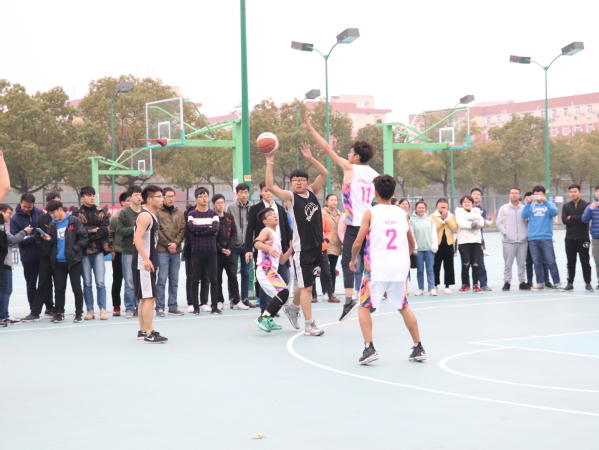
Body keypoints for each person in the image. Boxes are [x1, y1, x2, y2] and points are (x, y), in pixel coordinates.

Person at [304, 116, 378, 322]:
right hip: (371, 224)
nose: (348, 154)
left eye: (351, 152)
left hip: (355, 225)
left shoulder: (350, 168)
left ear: (357, 157)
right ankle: (369, 298)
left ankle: (348, 301)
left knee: (348, 263)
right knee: (368, 263)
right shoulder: (375, 174)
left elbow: (327, 149)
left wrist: (311, 128)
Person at [349, 175, 425, 365]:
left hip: (377, 268)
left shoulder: (370, 213)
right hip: (399, 268)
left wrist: (353, 259)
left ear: (375, 193)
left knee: (364, 306)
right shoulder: (402, 214)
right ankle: (418, 347)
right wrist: (402, 258)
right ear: (394, 193)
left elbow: (357, 242)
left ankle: (369, 348)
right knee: (403, 306)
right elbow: (411, 244)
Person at [265, 143, 328, 336]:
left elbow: (324, 173)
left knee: (304, 283)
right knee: (307, 287)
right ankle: (310, 325)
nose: (298, 182)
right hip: (302, 249)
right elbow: (270, 186)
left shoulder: (312, 192)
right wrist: (269, 162)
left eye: (302, 180)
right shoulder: (290, 198)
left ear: (307, 182)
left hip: (316, 246)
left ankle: (292, 308)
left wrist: (310, 157)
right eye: (295, 180)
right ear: (291, 184)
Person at [22, 201, 88, 323]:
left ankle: (79, 313)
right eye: (50, 213)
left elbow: (83, 237)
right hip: (58, 261)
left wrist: (74, 250)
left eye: (53, 212)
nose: (52, 215)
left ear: (60, 209)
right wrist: (49, 239)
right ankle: (59, 313)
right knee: (59, 288)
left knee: (76, 288)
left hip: (73, 260)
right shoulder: (53, 224)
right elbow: (53, 240)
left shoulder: (73, 220)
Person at [245, 181, 292, 312]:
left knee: (285, 279)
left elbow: (287, 229)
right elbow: (250, 231)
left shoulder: (280, 208)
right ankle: (265, 309)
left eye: (270, 190)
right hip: (265, 254)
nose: (268, 193)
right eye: (265, 190)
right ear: (261, 192)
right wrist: (249, 249)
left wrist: (291, 246)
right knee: (267, 282)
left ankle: (272, 308)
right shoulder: (256, 210)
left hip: (279, 248)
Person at [133, 185, 168, 343]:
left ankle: (142, 330)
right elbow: (137, 238)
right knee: (149, 297)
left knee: (144, 298)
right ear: (149, 199)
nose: (162, 199)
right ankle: (149, 333)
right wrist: (146, 259)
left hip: (147, 262)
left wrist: (153, 260)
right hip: (143, 263)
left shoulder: (151, 216)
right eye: (159, 196)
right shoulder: (145, 216)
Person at [10, 193, 54, 315]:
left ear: (33, 205)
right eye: (24, 206)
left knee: (47, 282)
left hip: (43, 255)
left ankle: (50, 307)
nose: (26, 209)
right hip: (28, 257)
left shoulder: (40, 213)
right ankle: (34, 309)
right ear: (20, 203)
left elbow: (48, 230)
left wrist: (35, 237)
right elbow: (17, 239)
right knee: (31, 285)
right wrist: (35, 237)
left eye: (29, 207)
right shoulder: (15, 219)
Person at [252, 207, 293, 332]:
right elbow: (256, 243)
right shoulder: (266, 231)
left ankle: (269, 319)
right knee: (283, 293)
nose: (275, 215)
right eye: (270, 214)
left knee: (284, 294)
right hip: (265, 269)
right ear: (264, 221)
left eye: (275, 213)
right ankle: (263, 318)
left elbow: (281, 260)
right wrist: (269, 248)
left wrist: (291, 249)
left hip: (272, 270)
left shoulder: (276, 236)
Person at [521, 185, 563, 291]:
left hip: (546, 237)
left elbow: (555, 213)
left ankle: (557, 283)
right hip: (532, 238)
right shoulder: (531, 205)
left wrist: (546, 202)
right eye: (535, 195)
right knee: (537, 262)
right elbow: (524, 215)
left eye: (540, 195)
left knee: (551, 261)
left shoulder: (549, 205)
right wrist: (528, 202)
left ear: (544, 194)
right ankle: (540, 283)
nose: (537, 197)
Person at [77, 186, 110, 320]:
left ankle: (103, 309)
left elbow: (105, 231)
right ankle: (90, 311)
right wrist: (95, 230)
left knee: (100, 282)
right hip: (84, 252)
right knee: (87, 283)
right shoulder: (77, 213)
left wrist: (88, 232)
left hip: (99, 251)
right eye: (88, 195)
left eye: (93, 195)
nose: (92, 198)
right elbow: (79, 231)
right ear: (82, 198)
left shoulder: (102, 211)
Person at [187, 187, 220, 315]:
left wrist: (199, 229)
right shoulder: (191, 214)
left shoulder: (214, 214)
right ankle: (196, 307)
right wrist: (208, 227)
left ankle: (214, 306)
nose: (203, 198)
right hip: (197, 251)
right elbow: (191, 227)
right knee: (195, 279)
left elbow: (215, 228)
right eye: (200, 196)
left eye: (205, 196)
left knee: (214, 279)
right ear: (196, 199)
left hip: (211, 250)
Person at [155, 187, 186, 316]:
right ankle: (159, 307)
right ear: (163, 198)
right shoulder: (157, 212)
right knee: (161, 280)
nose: (171, 198)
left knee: (174, 281)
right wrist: (168, 244)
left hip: (176, 251)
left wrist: (176, 243)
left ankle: (173, 307)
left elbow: (183, 229)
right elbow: (157, 230)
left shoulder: (179, 213)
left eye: (173, 196)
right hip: (162, 251)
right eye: (168, 196)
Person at [0, 204, 32, 325]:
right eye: (8, 213)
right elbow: (13, 239)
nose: (10, 216)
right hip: (4, 263)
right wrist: (24, 232)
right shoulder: (1, 228)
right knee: (5, 289)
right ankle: (3, 316)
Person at [212, 194, 245, 310]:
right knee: (217, 278)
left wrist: (230, 248)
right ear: (213, 205)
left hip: (229, 253)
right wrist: (221, 249)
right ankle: (219, 301)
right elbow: (212, 236)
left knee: (233, 277)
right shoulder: (212, 218)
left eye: (222, 202)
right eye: (218, 203)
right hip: (217, 253)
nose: (220, 205)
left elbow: (234, 233)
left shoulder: (229, 217)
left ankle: (236, 301)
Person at [226, 183, 255, 308]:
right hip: (234, 245)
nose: (244, 195)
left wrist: (252, 243)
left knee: (246, 273)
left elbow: (254, 226)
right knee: (232, 273)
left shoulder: (253, 208)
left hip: (247, 246)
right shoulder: (230, 207)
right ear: (237, 193)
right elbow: (227, 225)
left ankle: (245, 298)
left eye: (246, 192)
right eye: (241, 192)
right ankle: (233, 298)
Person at [496, 187, 530, 291]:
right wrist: (505, 233)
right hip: (508, 241)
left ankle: (522, 282)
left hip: (522, 241)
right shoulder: (504, 208)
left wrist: (526, 234)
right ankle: (507, 282)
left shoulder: (524, 208)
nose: (514, 195)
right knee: (508, 264)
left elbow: (529, 222)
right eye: (512, 193)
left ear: (520, 195)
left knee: (522, 264)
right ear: (509, 195)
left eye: (516, 193)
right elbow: (499, 223)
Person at [117, 185, 143, 318]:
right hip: (128, 251)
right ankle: (129, 308)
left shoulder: (145, 212)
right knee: (129, 282)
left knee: (141, 281)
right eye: (135, 195)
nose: (139, 197)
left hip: (143, 252)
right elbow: (119, 230)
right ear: (130, 197)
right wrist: (135, 229)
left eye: (140, 195)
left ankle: (140, 307)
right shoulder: (124, 213)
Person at [561, 183, 593, 292]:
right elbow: (564, 220)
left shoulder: (586, 205)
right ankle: (570, 283)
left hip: (583, 238)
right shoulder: (566, 206)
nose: (573, 194)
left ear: (580, 193)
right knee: (570, 262)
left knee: (585, 261)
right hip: (569, 238)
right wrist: (579, 218)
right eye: (571, 192)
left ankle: (588, 283)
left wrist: (572, 217)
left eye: (575, 191)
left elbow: (586, 219)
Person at [455, 195, 484, 293]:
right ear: (462, 204)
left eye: (469, 202)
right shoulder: (458, 212)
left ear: (472, 203)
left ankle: (475, 285)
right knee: (465, 264)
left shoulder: (477, 211)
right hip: (464, 241)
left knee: (475, 264)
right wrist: (474, 224)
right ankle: (464, 285)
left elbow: (481, 222)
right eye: (465, 202)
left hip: (476, 241)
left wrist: (471, 221)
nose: (467, 203)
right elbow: (461, 223)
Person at [409, 200, 438, 296]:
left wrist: (434, 247)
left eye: (423, 208)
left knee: (430, 270)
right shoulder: (412, 220)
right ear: (415, 208)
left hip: (429, 250)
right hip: (418, 251)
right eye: (419, 208)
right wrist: (414, 248)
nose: (421, 209)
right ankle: (420, 288)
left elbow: (434, 234)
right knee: (420, 270)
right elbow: (412, 235)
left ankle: (432, 288)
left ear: (425, 209)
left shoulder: (430, 220)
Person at [108, 192, 130, 316]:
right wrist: (112, 251)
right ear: (122, 203)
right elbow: (110, 235)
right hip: (119, 252)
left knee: (131, 281)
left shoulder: (136, 216)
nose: (130, 203)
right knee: (117, 280)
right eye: (128, 200)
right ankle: (116, 306)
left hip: (131, 252)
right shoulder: (115, 217)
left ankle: (131, 305)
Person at [522, 191, 549, 288]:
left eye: (531, 198)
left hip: (536, 237)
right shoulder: (524, 210)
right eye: (527, 199)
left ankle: (546, 281)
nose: (529, 201)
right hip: (526, 239)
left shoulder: (537, 209)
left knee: (543, 261)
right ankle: (529, 282)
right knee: (529, 261)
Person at [431, 198, 457, 295]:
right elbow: (433, 228)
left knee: (449, 266)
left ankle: (447, 286)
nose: (443, 204)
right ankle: (435, 285)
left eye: (445, 203)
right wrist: (441, 219)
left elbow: (454, 227)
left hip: (448, 244)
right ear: (437, 205)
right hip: (436, 245)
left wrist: (447, 218)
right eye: (441, 203)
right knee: (436, 266)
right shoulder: (433, 216)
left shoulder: (451, 216)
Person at [311, 214, 337, 302]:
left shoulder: (323, 219)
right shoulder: (307, 219)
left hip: (322, 249)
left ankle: (331, 295)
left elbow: (328, 231)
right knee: (312, 273)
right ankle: (314, 295)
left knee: (327, 272)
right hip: (311, 250)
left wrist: (326, 240)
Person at [470, 188, 491, 291]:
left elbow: (480, 223)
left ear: (481, 198)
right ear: (470, 196)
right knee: (466, 263)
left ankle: (483, 283)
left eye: (478, 194)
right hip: (465, 239)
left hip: (478, 239)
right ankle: (466, 284)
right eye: (474, 194)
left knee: (480, 262)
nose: (476, 196)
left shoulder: (482, 210)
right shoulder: (464, 208)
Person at [321, 194, 342, 300]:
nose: (334, 202)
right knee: (325, 269)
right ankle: (325, 291)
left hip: (336, 244)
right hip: (326, 243)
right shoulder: (322, 213)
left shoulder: (339, 214)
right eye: (331, 200)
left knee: (332, 269)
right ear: (326, 201)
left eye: (335, 200)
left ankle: (331, 292)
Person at [582, 185, 599, 289]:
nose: (598, 193)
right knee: (598, 261)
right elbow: (584, 220)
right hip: (596, 238)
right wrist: (590, 209)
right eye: (597, 191)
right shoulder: (591, 206)